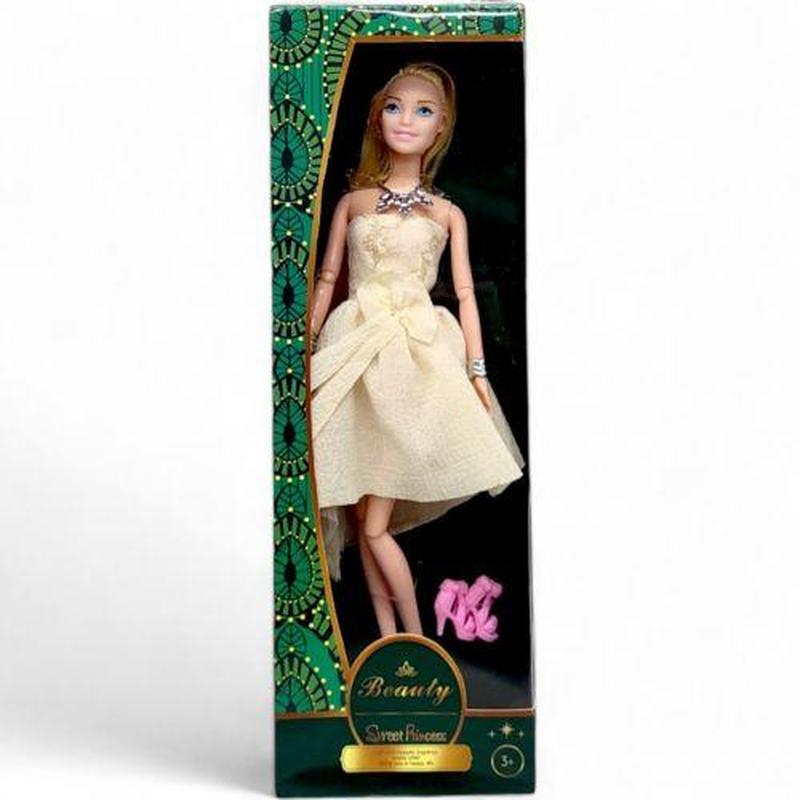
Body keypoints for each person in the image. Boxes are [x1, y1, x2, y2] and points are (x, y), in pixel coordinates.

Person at [308, 62, 524, 638]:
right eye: (395, 106)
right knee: (361, 512)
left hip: (412, 360)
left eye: (423, 110)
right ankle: (388, 641)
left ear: (440, 127)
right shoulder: (354, 203)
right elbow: (328, 279)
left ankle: (416, 637)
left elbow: (466, 295)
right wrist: (301, 350)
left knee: (374, 522)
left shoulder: (447, 213)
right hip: (354, 348)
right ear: (377, 119)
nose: (407, 119)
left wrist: (477, 371)